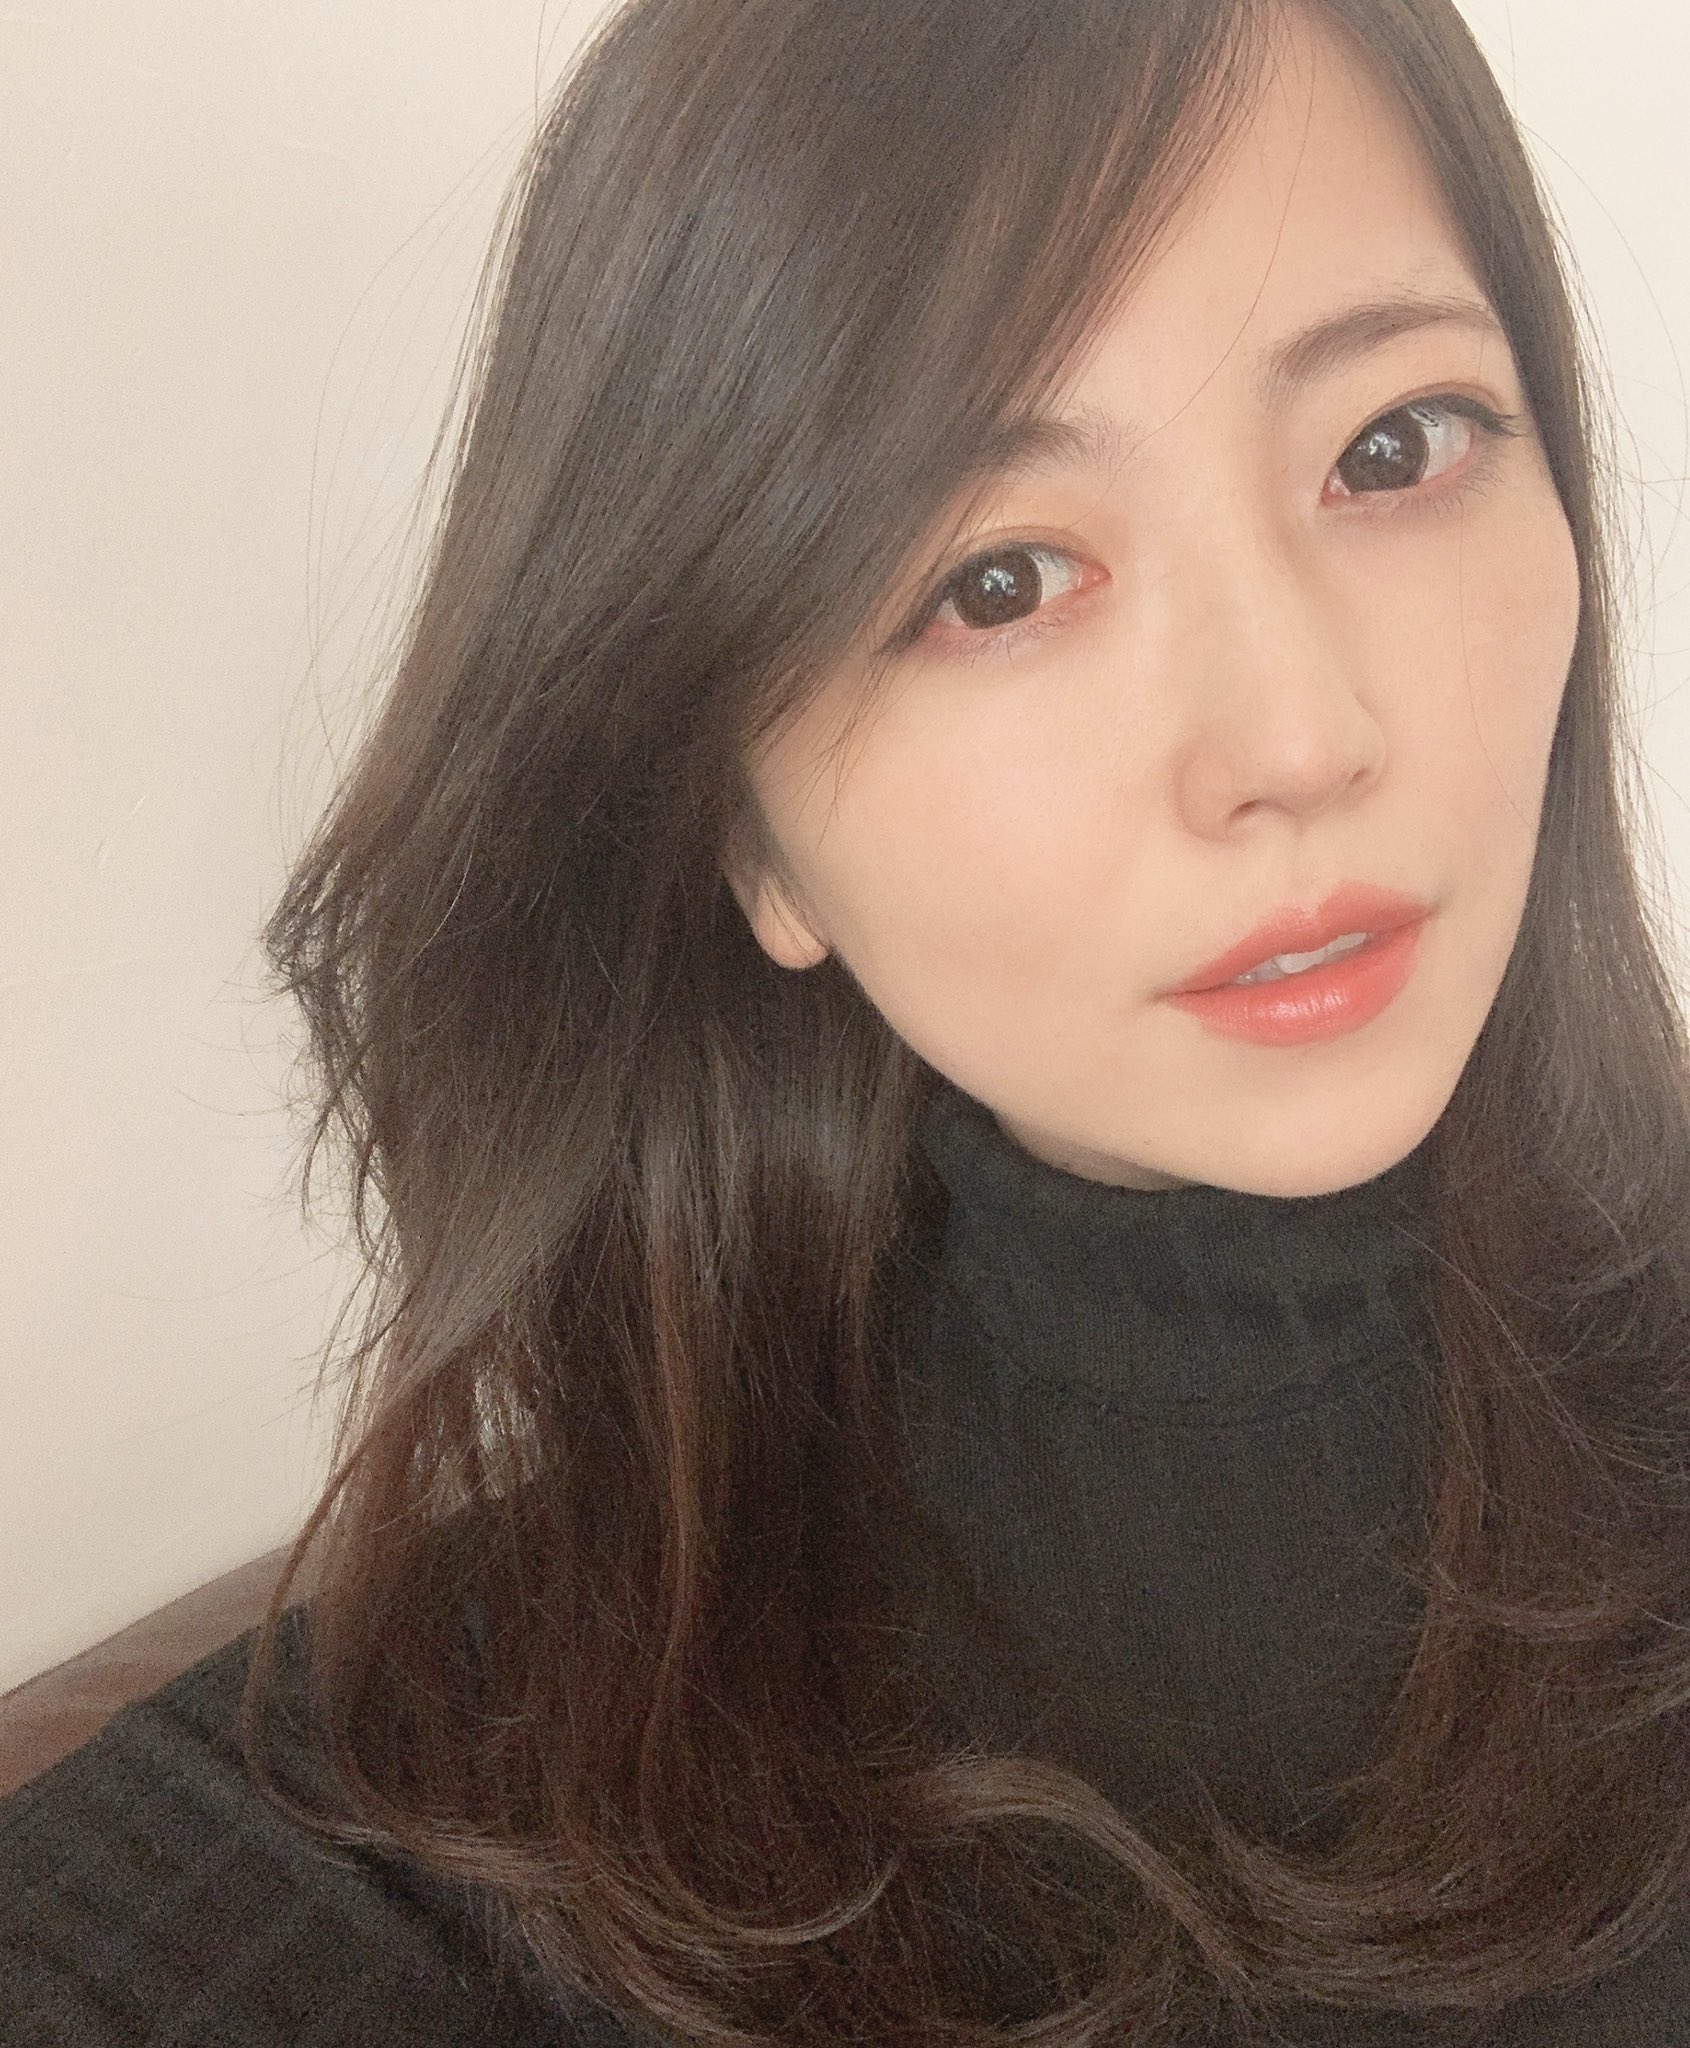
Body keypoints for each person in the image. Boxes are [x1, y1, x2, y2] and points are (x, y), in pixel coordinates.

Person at [5, 0, 1689, 2040]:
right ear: (741, 824)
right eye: (996, 583)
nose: (1297, 735)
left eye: (1390, 447)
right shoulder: (379, 1838)